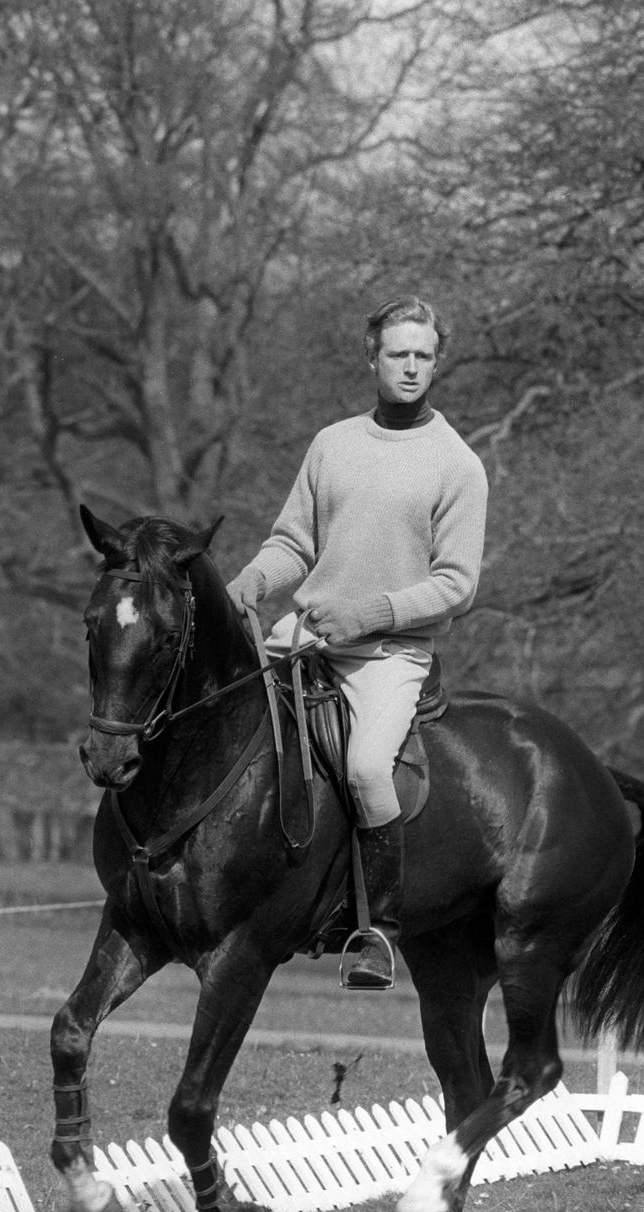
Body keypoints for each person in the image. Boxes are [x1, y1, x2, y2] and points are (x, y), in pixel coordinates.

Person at [226, 295, 488, 984]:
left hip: (390, 654)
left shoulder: (456, 464)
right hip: (308, 635)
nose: (410, 368)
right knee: (220, 710)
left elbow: (457, 584)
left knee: (370, 768)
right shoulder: (332, 443)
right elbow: (293, 542)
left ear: (438, 362)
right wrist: (253, 580)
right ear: (371, 356)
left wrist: (371, 614)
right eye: (398, 354)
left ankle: (377, 933)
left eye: (423, 356)